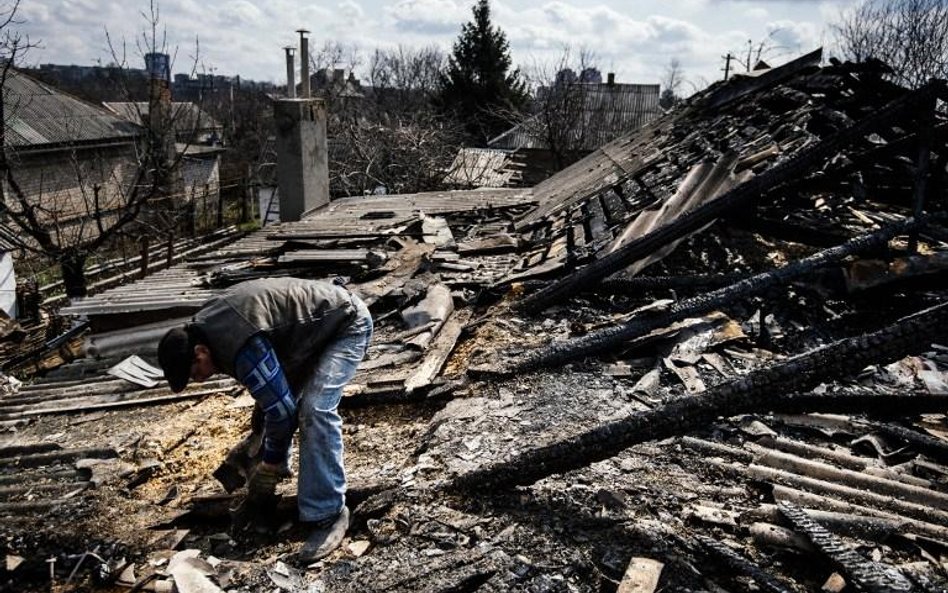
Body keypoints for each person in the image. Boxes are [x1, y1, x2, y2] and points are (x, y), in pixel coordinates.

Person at [157, 277, 373, 563]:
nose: (197, 380)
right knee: (266, 413)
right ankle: (260, 478)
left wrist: (270, 466)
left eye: (194, 374)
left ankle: (328, 512)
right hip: (306, 334)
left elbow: (283, 411)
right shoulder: (205, 330)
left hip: (345, 324)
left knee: (314, 411)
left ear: (200, 353)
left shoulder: (238, 341)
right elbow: (272, 403)